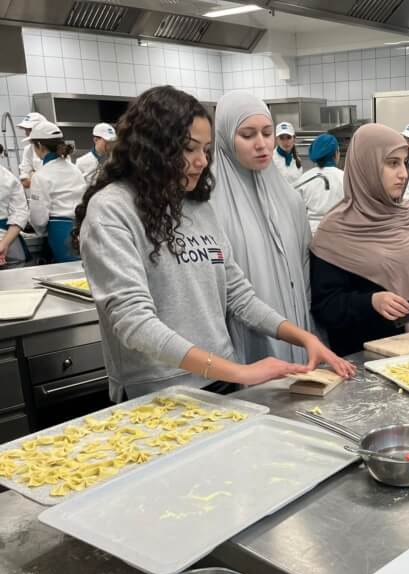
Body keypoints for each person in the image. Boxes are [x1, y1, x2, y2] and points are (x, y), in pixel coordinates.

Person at [73, 85, 353, 402]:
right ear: (152, 148)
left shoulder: (197, 207)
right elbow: (133, 321)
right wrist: (240, 372)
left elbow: (238, 294)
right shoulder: (112, 210)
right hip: (158, 390)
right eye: (189, 149)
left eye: (206, 150)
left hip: (219, 380)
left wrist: (303, 337)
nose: (202, 162)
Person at [310, 123, 409, 357]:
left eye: (405, 163)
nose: (403, 174)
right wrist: (371, 302)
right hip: (364, 359)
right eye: (392, 163)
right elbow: (325, 307)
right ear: (366, 166)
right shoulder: (336, 230)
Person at [211, 91, 314, 365]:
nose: (261, 144)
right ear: (224, 137)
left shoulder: (290, 199)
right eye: (247, 135)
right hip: (241, 337)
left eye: (267, 133)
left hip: (295, 329)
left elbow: (304, 269)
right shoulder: (207, 204)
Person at [26, 121, 86, 263]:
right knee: (83, 270)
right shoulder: (75, 169)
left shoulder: (41, 175)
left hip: (61, 231)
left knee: (67, 272)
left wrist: (41, 231)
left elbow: (38, 218)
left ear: (39, 145)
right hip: (84, 228)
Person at [294, 134, 344, 234]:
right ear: (335, 154)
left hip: (311, 233)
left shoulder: (305, 178)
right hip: (338, 232)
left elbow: (296, 211)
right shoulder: (344, 177)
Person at [0, 163, 29, 267]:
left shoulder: (10, 179)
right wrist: (4, 244)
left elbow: (20, 213)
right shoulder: (9, 178)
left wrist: (3, 245)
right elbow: (20, 213)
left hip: (6, 239)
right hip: (8, 238)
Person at [76, 122, 118, 186]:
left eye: (112, 142)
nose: (110, 145)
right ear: (95, 140)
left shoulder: (116, 160)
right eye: (107, 142)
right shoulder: (81, 162)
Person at [16, 112, 46, 188]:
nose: (26, 134)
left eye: (29, 130)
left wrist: (33, 174)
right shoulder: (28, 150)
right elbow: (25, 182)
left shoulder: (57, 148)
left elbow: (57, 177)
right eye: (25, 130)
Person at [272, 121, 303, 186]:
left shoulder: (296, 158)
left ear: (294, 138)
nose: (285, 142)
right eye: (281, 138)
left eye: (288, 137)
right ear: (277, 140)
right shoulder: (271, 160)